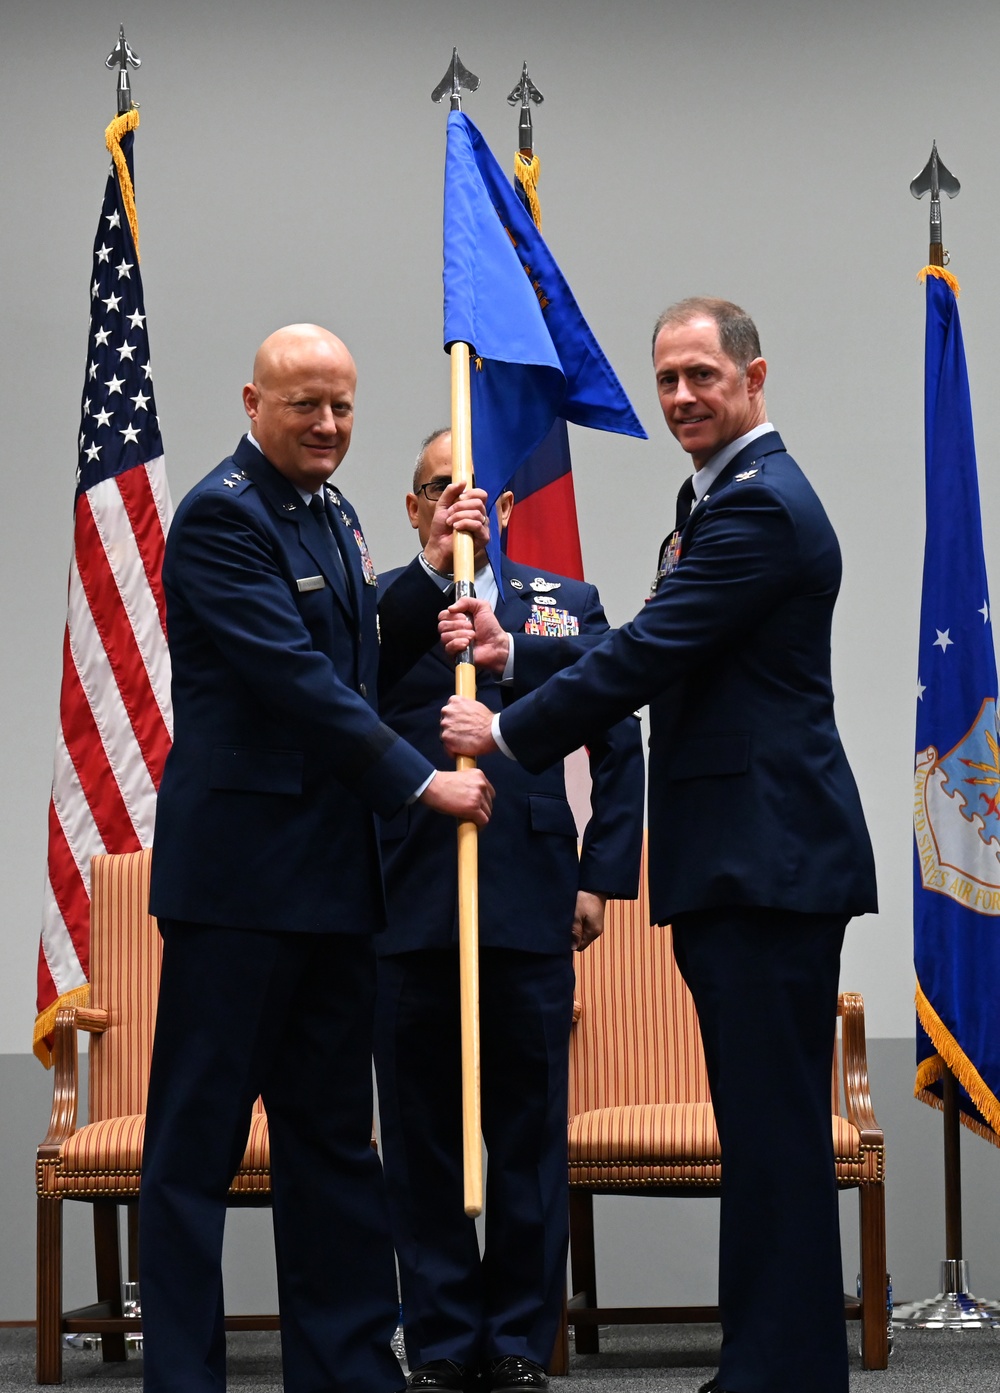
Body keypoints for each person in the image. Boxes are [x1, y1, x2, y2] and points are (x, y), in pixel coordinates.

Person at [438, 299, 878, 1393]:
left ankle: (778, 1375)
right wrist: (514, 657)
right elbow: (654, 649)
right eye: (667, 378)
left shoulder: (760, 508)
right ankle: (771, 1367)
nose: (682, 396)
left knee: (772, 1140)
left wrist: (505, 726)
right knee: (760, 1136)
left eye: (701, 375)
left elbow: (646, 653)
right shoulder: (716, 501)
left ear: (752, 375)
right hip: (743, 857)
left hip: (766, 858)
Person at [141, 325, 494, 1393]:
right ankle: (187, 1380)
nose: (329, 424)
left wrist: (434, 569)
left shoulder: (334, 512)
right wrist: (420, 781)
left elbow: (355, 651)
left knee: (335, 1144)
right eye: (305, 404)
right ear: (254, 400)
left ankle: (345, 1372)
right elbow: (298, 683)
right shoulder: (220, 517)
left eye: (342, 404)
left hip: (336, 885)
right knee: (196, 1155)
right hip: (239, 891)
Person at [372, 429, 644, 1393]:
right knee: (422, 1135)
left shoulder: (563, 609)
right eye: (437, 488)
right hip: (405, 902)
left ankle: (523, 1340)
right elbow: (342, 708)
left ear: (508, 509)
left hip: (531, 897)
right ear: (412, 508)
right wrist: (434, 574)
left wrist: (601, 875)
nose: (457, 502)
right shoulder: (379, 609)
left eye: (473, 490)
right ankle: (443, 1339)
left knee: (529, 1134)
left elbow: (616, 739)